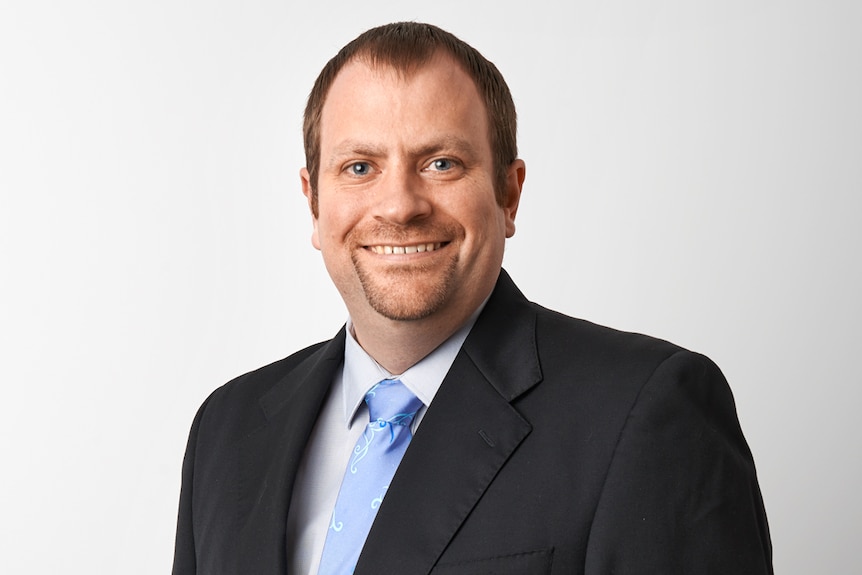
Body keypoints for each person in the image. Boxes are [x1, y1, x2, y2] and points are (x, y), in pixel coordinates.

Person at [172, 22, 772, 575]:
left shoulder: (646, 414)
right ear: (313, 201)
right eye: (359, 167)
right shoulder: (226, 433)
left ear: (509, 194)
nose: (400, 204)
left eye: (441, 163)